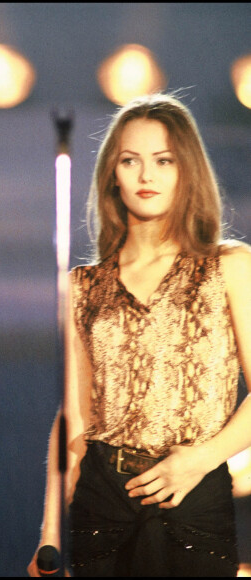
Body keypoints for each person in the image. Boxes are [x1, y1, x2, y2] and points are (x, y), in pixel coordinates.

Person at [29, 92, 251, 577]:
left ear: (186, 169)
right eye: (131, 161)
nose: (146, 175)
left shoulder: (228, 266)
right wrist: (49, 534)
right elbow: (74, 417)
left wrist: (200, 460)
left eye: (163, 161)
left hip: (194, 496)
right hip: (102, 501)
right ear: (112, 173)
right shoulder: (84, 286)